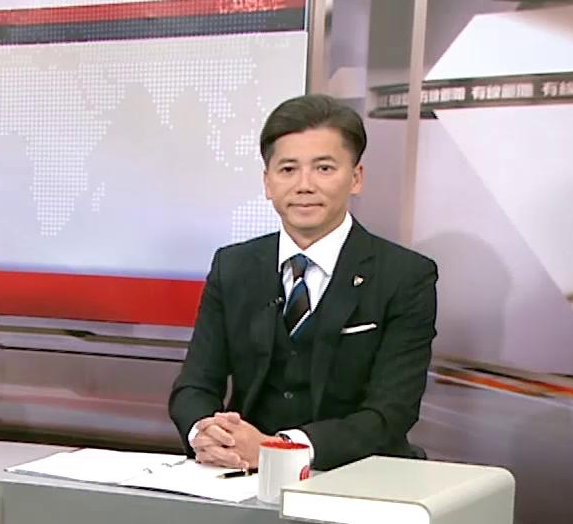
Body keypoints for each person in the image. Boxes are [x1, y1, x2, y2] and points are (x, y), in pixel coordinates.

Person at [170, 95, 438, 472]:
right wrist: (206, 433)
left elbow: (391, 413)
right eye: (288, 169)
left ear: (356, 178)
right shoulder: (233, 266)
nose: (304, 185)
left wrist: (277, 449)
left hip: (357, 474)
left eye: (324, 168)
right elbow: (194, 385)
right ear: (268, 182)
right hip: (241, 472)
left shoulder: (405, 276)